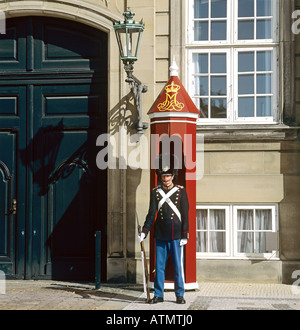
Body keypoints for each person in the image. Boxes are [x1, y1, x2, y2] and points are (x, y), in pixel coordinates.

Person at [138, 161, 189, 304]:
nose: (166, 179)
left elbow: (185, 214)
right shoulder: (156, 192)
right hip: (160, 235)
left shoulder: (180, 191)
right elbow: (151, 214)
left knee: (178, 266)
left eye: (168, 176)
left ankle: (179, 294)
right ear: (160, 177)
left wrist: (185, 234)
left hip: (176, 235)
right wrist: (144, 231)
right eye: (163, 176)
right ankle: (159, 295)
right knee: (159, 267)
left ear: (172, 176)